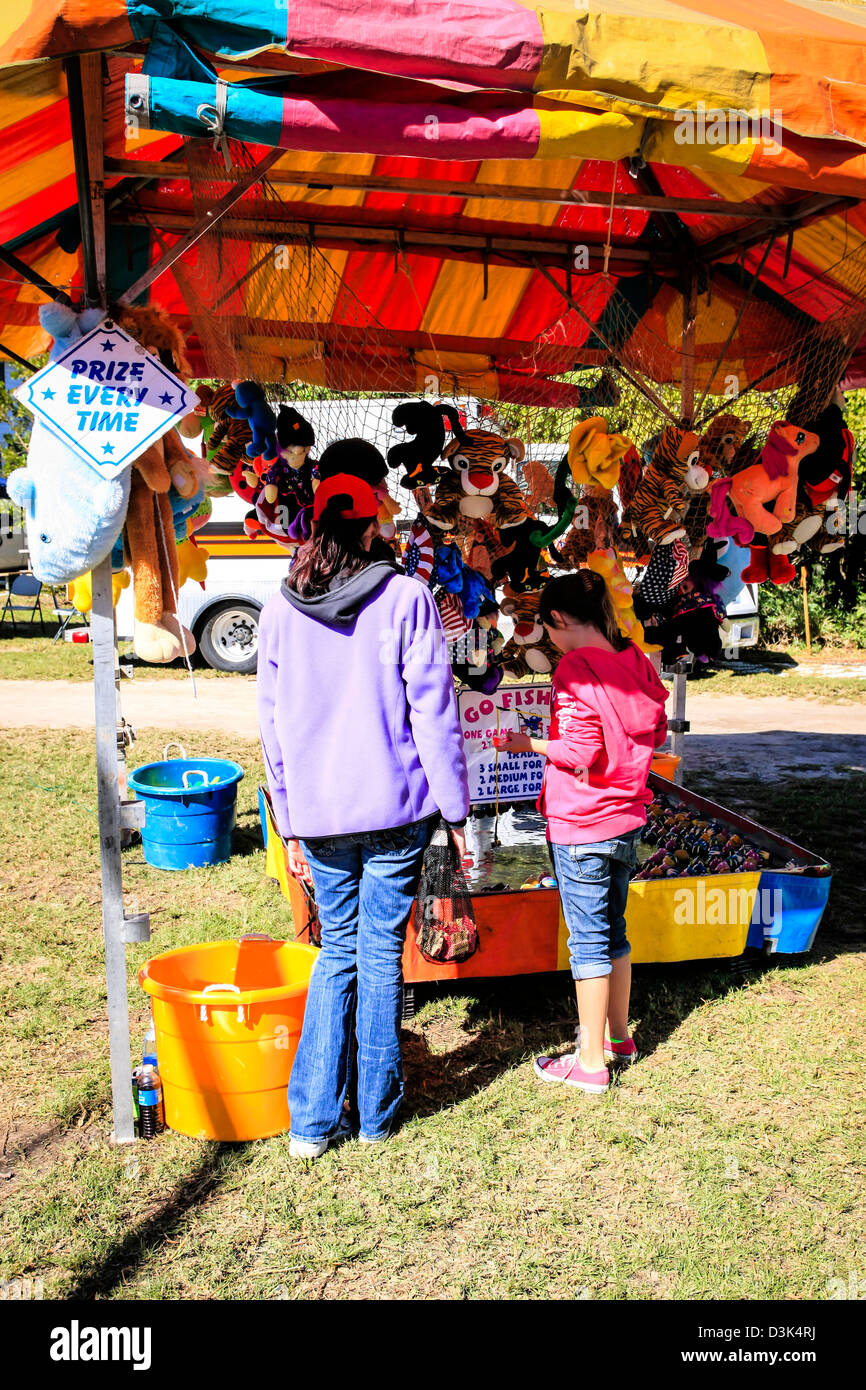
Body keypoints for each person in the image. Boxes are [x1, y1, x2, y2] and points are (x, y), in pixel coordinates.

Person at [257, 471, 469, 1157]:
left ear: (315, 526)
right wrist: (457, 810)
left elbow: (273, 727)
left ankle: (313, 1124)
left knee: (336, 953)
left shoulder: (279, 611)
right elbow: (434, 712)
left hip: (320, 814)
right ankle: (376, 1117)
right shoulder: (407, 598)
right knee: (378, 955)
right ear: (371, 524)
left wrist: (288, 819)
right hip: (395, 808)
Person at [500, 570, 668, 1094]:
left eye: (545, 628)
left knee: (589, 943)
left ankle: (590, 1062)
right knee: (613, 932)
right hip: (626, 818)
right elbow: (657, 730)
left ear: (556, 620)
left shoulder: (575, 669)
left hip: (582, 822)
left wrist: (526, 746)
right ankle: (618, 1037)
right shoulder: (634, 659)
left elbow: (578, 753)